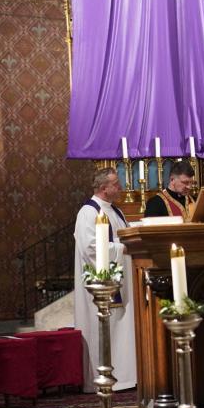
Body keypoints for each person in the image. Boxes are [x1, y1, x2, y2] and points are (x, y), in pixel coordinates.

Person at [73, 167, 137, 393]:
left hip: (123, 279)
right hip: (101, 284)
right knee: (107, 327)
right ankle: (103, 376)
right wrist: (123, 248)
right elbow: (90, 248)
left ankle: (126, 376)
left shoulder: (115, 211)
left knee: (122, 328)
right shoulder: (88, 213)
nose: (119, 187)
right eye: (115, 184)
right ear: (103, 188)